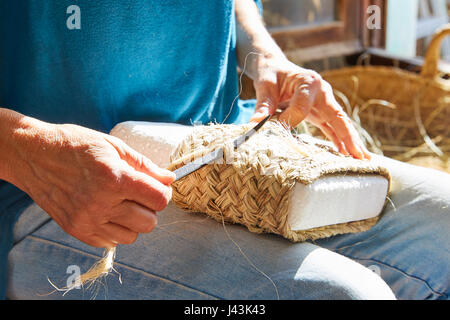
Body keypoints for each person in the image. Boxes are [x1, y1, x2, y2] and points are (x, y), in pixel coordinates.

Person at [0, 1, 448, 300]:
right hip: (48, 187)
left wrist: (264, 54)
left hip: (221, 136)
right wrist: (27, 150)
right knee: (343, 294)